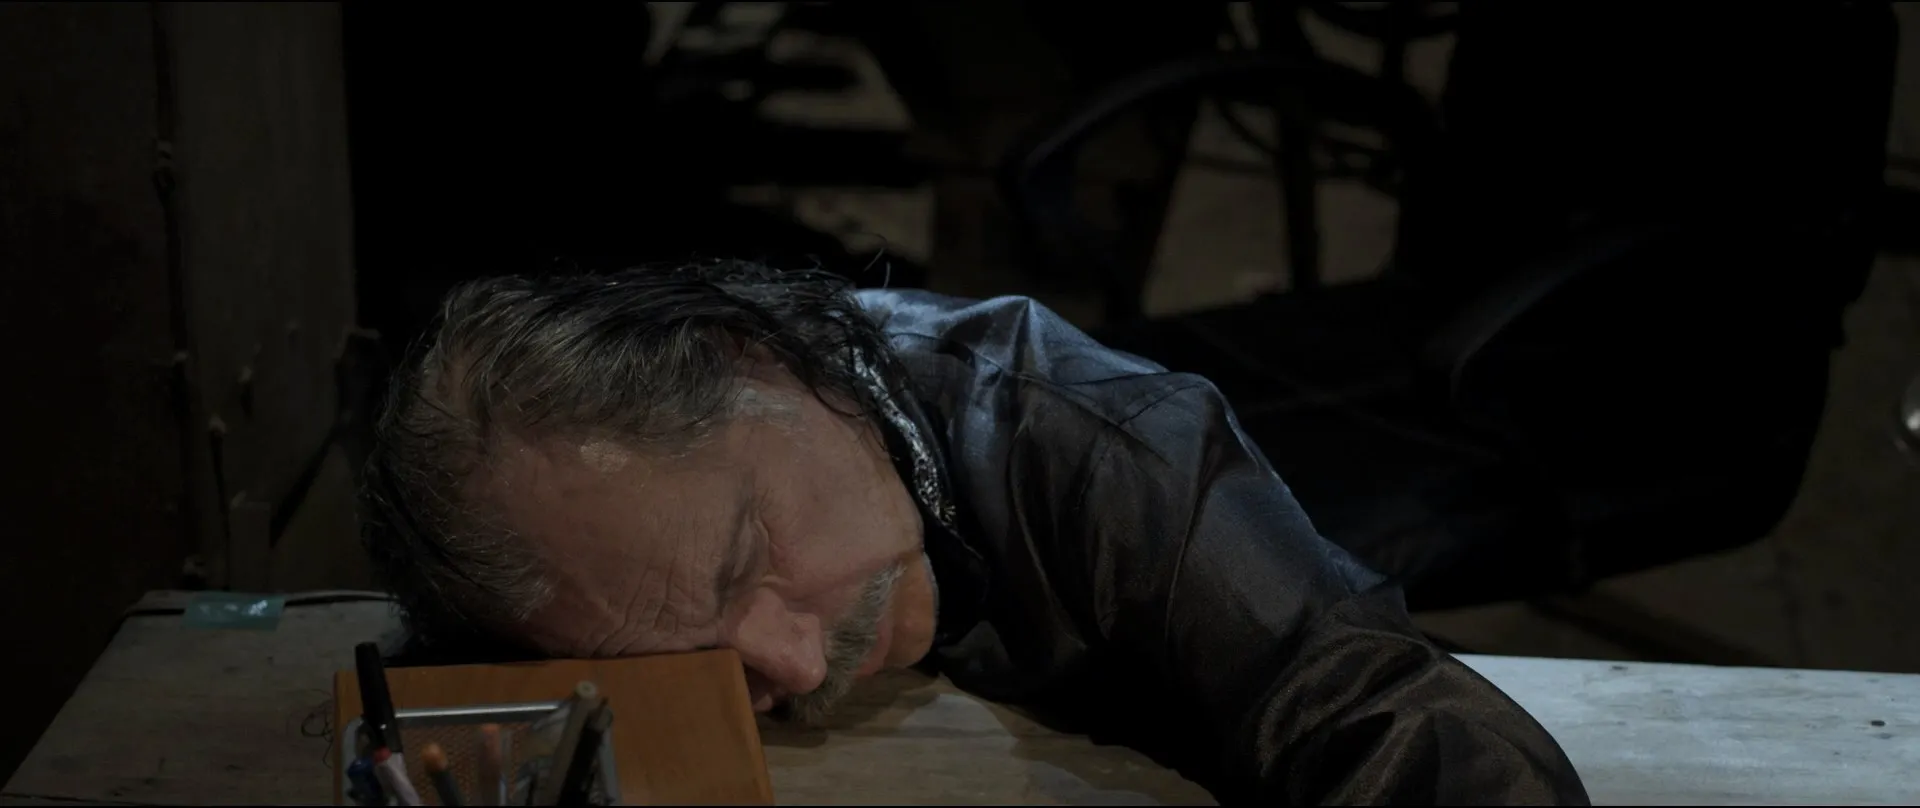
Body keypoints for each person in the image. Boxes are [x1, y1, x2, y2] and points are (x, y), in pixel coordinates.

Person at [360, 260, 1590, 805]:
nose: (793, 665)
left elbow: (1408, 732)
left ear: (767, 367)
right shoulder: (635, 530)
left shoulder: (1108, 450)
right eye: (696, 654)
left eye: (749, 563)